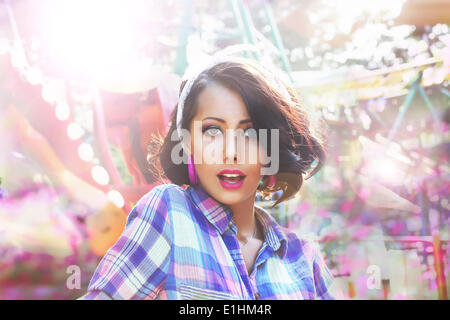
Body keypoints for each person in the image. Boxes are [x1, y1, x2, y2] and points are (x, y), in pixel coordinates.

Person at [78, 53, 338, 300]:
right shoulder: (170, 213)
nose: (231, 153)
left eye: (250, 133)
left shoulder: (303, 257)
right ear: (188, 143)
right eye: (213, 131)